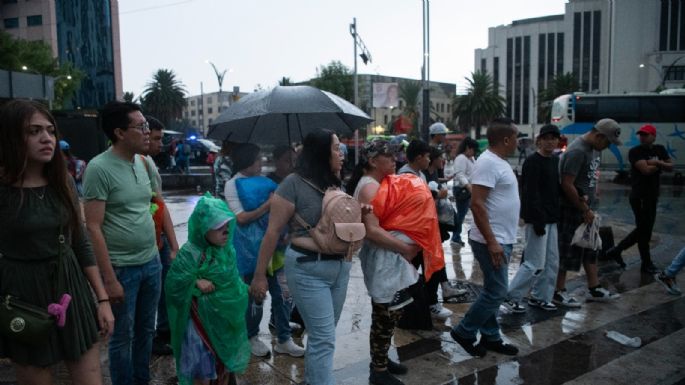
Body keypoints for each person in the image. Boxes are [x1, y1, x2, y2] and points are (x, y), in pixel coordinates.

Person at [0, 100, 114, 384]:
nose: (47, 138)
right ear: (12, 137)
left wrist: (102, 299)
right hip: (23, 294)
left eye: (50, 131)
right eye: (34, 131)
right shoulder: (3, 192)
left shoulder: (62, 181)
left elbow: (80, 242)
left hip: (70, 288)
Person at [249, 129, 349, 385]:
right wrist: (260, 275)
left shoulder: (334, 181)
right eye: (337, 148)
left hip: (340, 267)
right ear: (321, 152)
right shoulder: (291, 184)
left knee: (322, 336)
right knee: (324, 337)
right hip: (307, 269)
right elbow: (272, 232)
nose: (342, 153)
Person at [83, 101, 162, 385]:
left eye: (146, 125)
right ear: (119, 132)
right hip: (122, 268)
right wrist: (109, 279)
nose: (147, 131)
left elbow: (150, 206)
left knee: (146, 331)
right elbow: (93, 227)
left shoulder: (143, 162)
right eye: (140, 126)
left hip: (151, 262)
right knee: (122, 338)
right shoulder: (98, 168)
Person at [347, 141, 421, 385]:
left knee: (390, 313)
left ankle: (381, 358)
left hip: (387, 257)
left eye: (395, 155)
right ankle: (378, 370)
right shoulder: (370, 188)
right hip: (382, 258)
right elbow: (372, 231)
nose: (394, 160)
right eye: (389, 156)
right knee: (385, 314)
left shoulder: (376, 184)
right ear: (373, 161)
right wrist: (406, 249)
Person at [449, 118, 521, 358]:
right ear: (507, 139)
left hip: (501, 237)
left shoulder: (498, 162)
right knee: (498, 292)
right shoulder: (489, 163)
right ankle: (464, 331)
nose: (518, 142)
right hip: (493, 239)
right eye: (517, 137)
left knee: (492, 288)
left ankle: (491, 337)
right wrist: (492, 241)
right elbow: (477, 204)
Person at [225, 143, 304, 358]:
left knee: (282, 295)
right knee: (255, 296)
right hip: (249, 250)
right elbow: (240, 218)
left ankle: (284, 338)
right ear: (247, 161)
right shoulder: (232, 185)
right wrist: (267, 205)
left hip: (276, 249)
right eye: (258, 159)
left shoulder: (268, 182)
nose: (261, 163)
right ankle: (251, 336)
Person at [165, 193, 251, 385]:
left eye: (228, 224)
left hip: (223, 321)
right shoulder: (190, 252)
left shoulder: (227, 251)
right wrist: (195, 282)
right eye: (218, 225)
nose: (226, 230)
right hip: (198, 324)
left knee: (224, 364)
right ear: (203, 227)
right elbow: (174, 283)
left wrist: (242, 290)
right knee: (201, 370)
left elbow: (233, 281)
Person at [554, 118, 622, 307]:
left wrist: (591, 204)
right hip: (571, 208)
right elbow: (566, 184)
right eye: (608, 142)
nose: (608, 146)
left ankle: (594, 287)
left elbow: (590, 178)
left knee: (591, 248)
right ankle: (557, 291)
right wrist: (583, 208)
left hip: (587, 208)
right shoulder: (578, 151)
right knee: (567, 250)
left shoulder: (594, 149)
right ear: (599, 135)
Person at [398, 141, 463, 321]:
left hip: (424, 231)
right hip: (414, 233)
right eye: (427, 156)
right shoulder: (405, 176)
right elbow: (411, 204)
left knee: (430, 266)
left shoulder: (419, 174)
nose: (428, 160)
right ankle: (420, 305)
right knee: (420, 268)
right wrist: (435, 195)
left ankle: (428, 303)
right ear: (419, 157)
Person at [503, 124, 562, 313]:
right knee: (534, 262)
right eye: (547, 138)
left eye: (554, 138)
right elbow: (529, 194)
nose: (550, 141)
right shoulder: (532, 162)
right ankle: (511, 296)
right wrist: (536, 220)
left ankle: (541, 297)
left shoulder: (554, 161)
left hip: (552, 218)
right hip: (538, 220)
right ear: (539, 140)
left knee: (551, 262)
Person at [606, 124, 673, 273]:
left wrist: (656, 162)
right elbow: (646, 170)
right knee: (644, 230)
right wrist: (660, 164)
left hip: (653, 195)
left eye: (646, 134)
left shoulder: (659, 149)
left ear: (653, 136)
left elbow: (671, 166)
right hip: (640, 196)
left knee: (645, 230)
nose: (642, 137)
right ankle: (646, 263)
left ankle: (617, 251)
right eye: (641, 134)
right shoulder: (635, 151)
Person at [143, 116, 180, 356]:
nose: (159, 143)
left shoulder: (147, 163)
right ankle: (157, 333)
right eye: (155, 138)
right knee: (157, 290)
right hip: (151, 241)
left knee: (164, 286)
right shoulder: (143, 163)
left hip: (158, 239)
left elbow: (160, 205)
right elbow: (159, 204)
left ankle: (163, 330)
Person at [450, 137, 478, 246]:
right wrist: (469, 187)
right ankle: (456, 237)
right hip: (463, 189)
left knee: (475, 212)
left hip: (469, 188)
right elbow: (460, 175)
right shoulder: (461, 158)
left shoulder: (471, 158)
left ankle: (472, 234)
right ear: (467, 148)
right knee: (461, 214)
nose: (474, 152)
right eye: (473, 150)